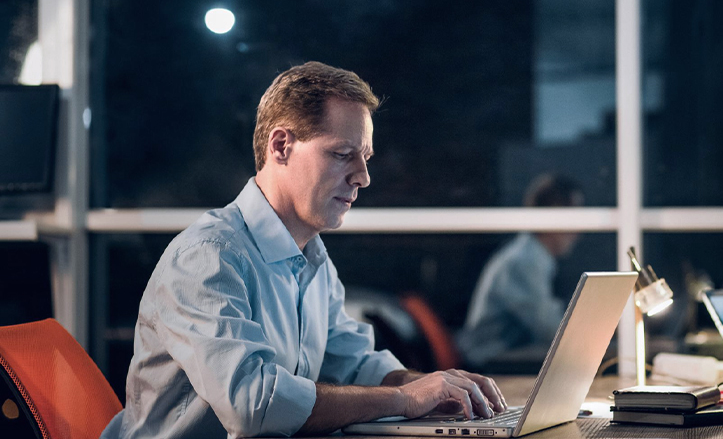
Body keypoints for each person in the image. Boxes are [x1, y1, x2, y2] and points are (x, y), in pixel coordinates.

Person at [102, 62, 506, 439]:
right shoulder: (208, 257)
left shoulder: (311, 256)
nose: (363, 177)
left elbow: (354, 362)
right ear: (281, 146)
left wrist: (432, 388)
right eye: (342, 155)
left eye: (364, 158)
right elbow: (253, 404)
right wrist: (403, 400)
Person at [457, 174, 583, 368]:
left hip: (505, 355)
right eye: (573, 217)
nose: (578, 231)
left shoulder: (533, 256)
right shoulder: (524, 261)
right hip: (487, 361)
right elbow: (551, 329)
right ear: (552, 216)